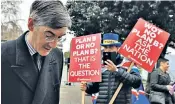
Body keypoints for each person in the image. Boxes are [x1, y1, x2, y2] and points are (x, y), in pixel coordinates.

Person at [1, 1, 71, 104]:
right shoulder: (3, 53)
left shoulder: (57, 55)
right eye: (49, 35)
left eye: (59, 37)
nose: (54, 45)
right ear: (31, 24)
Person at [80, 33, 141, 104]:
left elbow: (137, 82)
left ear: (118, 48)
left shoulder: (127, 64)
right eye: (106, 48)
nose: (108, 50)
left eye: (111, 47)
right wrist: (87, 88)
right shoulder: (100, 65)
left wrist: (116, 71)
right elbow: (95, 87)